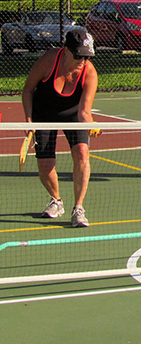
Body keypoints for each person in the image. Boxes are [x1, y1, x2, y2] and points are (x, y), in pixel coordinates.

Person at [22, 27, 100, 228]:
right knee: (45, 166)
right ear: (66, 50)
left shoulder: (90, 72)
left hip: (73, 114)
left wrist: (91, 125)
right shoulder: (49, 60)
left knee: (82, 153)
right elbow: (28, 90)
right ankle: (56, 200)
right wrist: (29, 120)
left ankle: (78, 208)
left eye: (87, 56)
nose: (83, 60)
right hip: (43, 114)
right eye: (78, 55)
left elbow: (84, 111)